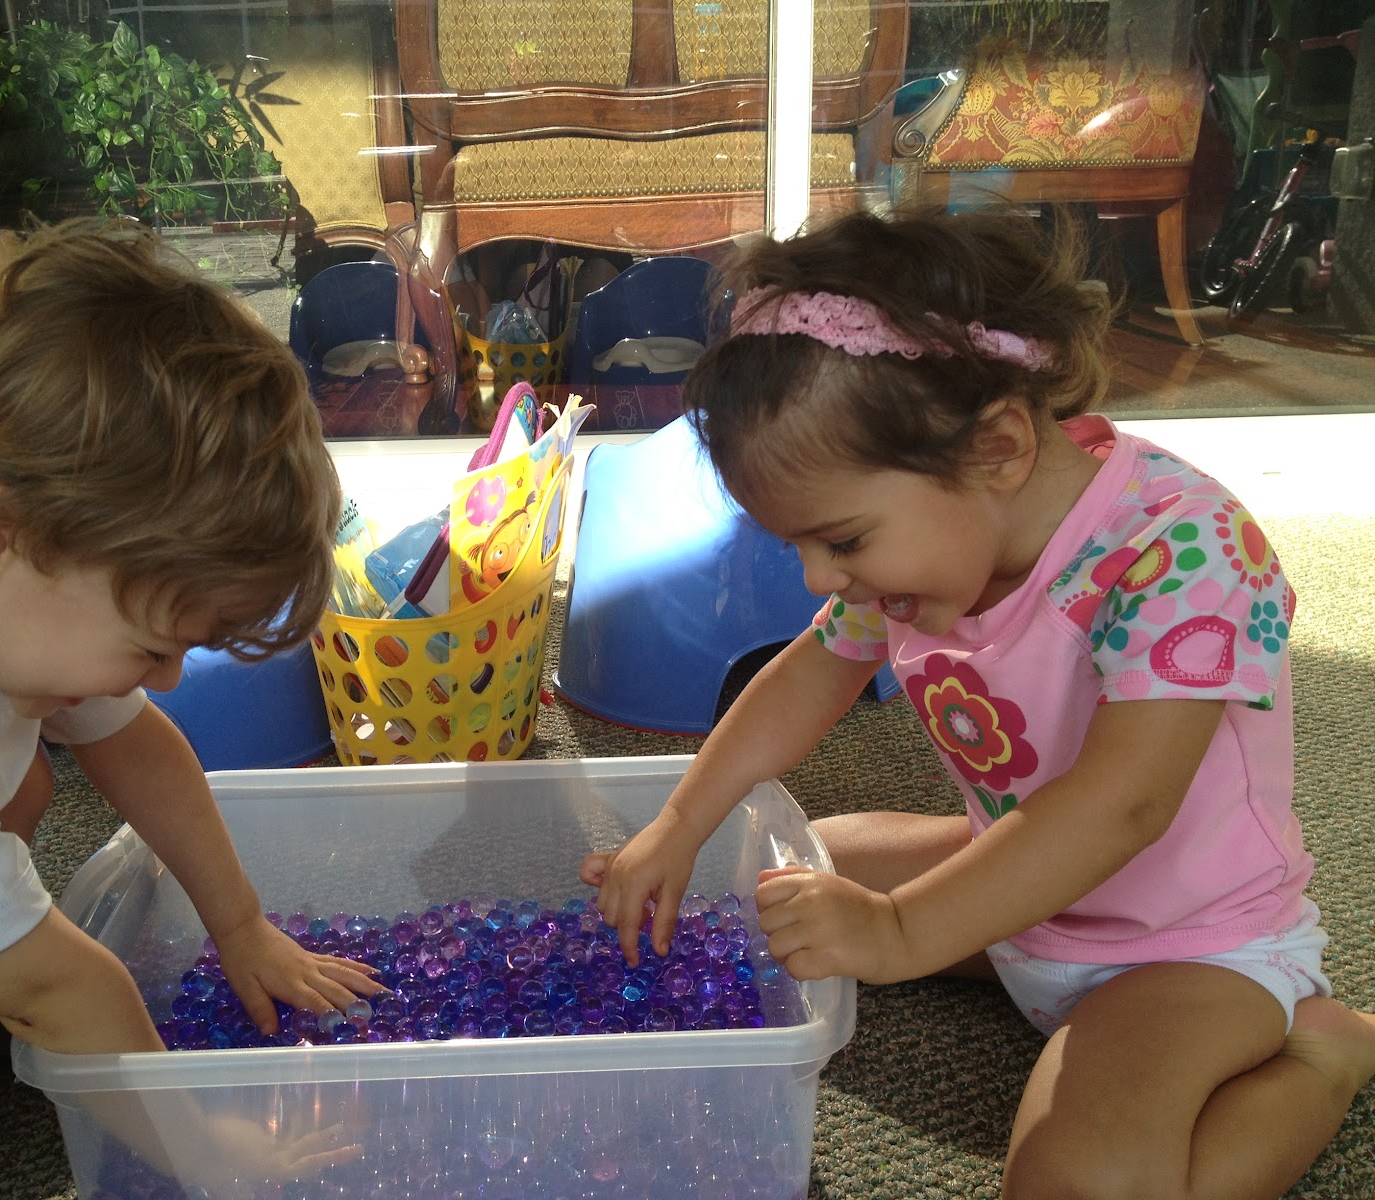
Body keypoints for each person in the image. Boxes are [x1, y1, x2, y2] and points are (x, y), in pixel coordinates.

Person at [580, 206, 1375, 1199]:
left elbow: (1124, 804)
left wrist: (901, 932)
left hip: (1185, 943)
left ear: (996, 448)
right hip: (1024, 895)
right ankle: (965, 931)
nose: (824, 580)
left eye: (841, 541)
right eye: (799, 549)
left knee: (1073, 1182)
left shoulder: (1183, 547)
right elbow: (809, 673)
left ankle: (1322, 1054)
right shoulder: (930, 544)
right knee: (794, 870)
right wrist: (680, 824)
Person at [0, 219, 385, 1199]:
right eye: (154, 645)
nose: (170, 677)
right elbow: (65, 988)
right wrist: (204, 1150)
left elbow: (144, 748)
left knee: (13, 791)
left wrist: (241, 929)